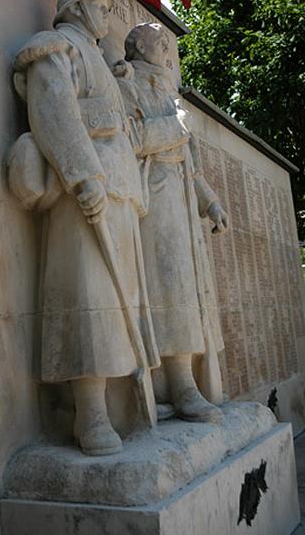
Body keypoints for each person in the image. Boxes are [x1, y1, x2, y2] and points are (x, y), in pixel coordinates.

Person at [11, 0, 159, 456]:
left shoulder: (103, 62)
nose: (107, 18)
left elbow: (123, 127)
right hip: (84, 191)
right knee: (88, 304)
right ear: (76, 9)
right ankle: (89, 415)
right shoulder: (57, 47)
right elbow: (52, 111)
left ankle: (120, 405)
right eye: (101, 7)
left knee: (118, 307)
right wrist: (81, 178)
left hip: (119, 193)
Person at [114, 22, 228, 422]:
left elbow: (192, 163)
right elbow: (132, 139)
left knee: (186, 289)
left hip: (180, 196)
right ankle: (179, 386)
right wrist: (176, 127)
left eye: (167, 40)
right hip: (154, 195)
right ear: (137, 46)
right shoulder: (126, 84)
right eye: (156, 39)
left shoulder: (170, 91)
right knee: (168, 285)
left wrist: (210, 202)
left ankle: (180, 384)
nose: (166, 44)